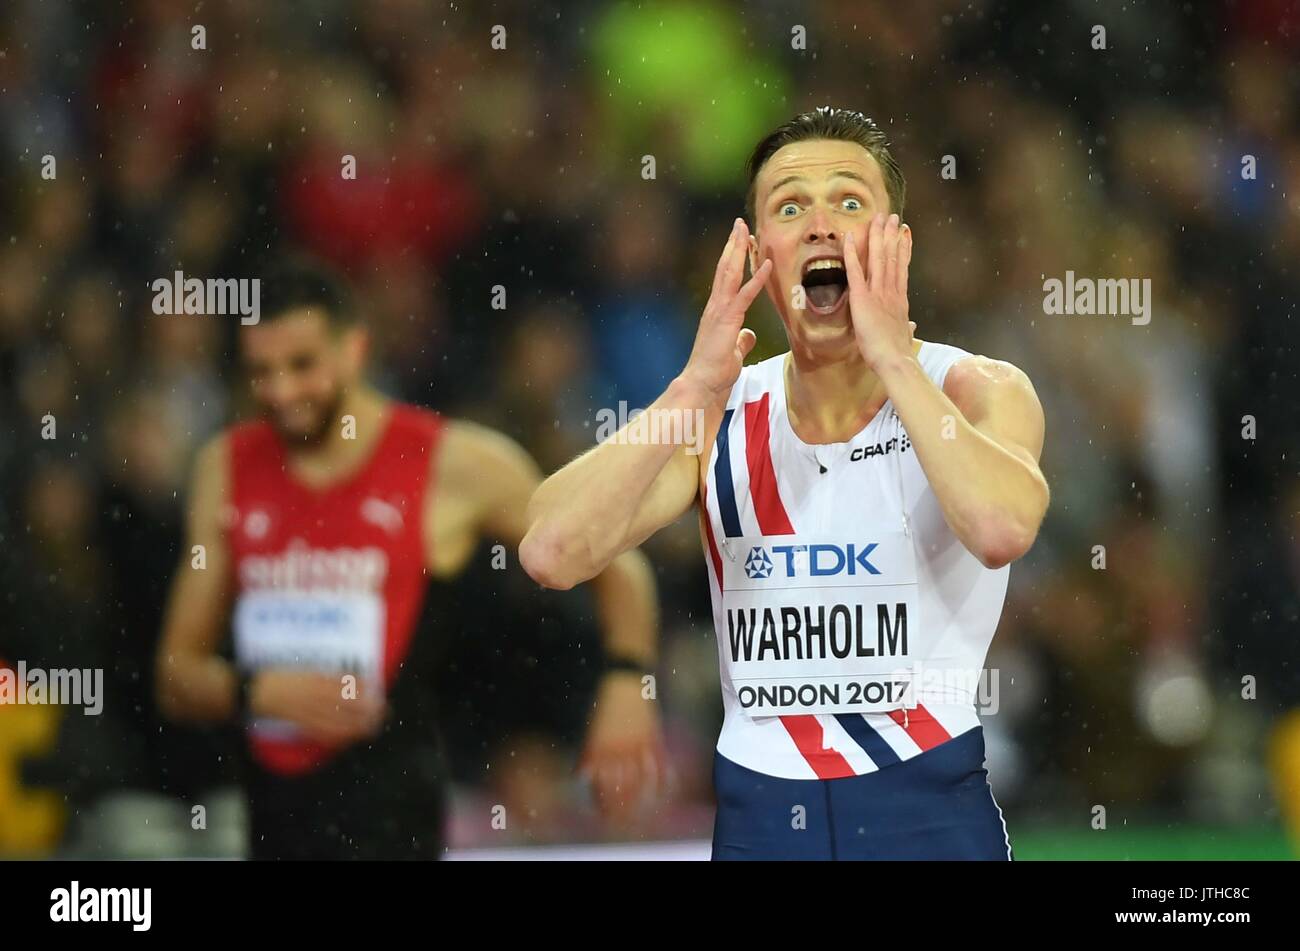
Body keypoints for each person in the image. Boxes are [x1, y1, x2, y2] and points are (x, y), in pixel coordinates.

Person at [521, 107, 1050, 860]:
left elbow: (1001, 529)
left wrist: (895, 360)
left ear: (894, 242)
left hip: (926, 812)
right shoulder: (718, 413)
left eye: (850, 201)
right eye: (790, 206)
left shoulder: (973, 388)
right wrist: (688, 388)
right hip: (761, 818)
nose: (820, 225)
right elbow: (551, 549)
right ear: (759, 252)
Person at [156, 257, 663, 859]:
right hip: (272, 825)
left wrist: (628, 683)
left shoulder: (450, 462)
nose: (283, 391)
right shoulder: (228, 464)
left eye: (302, 366)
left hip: (395, 823)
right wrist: (260, 693)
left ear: (354, 350)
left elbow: (616, 561)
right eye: (262, 372)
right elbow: (176, 675)